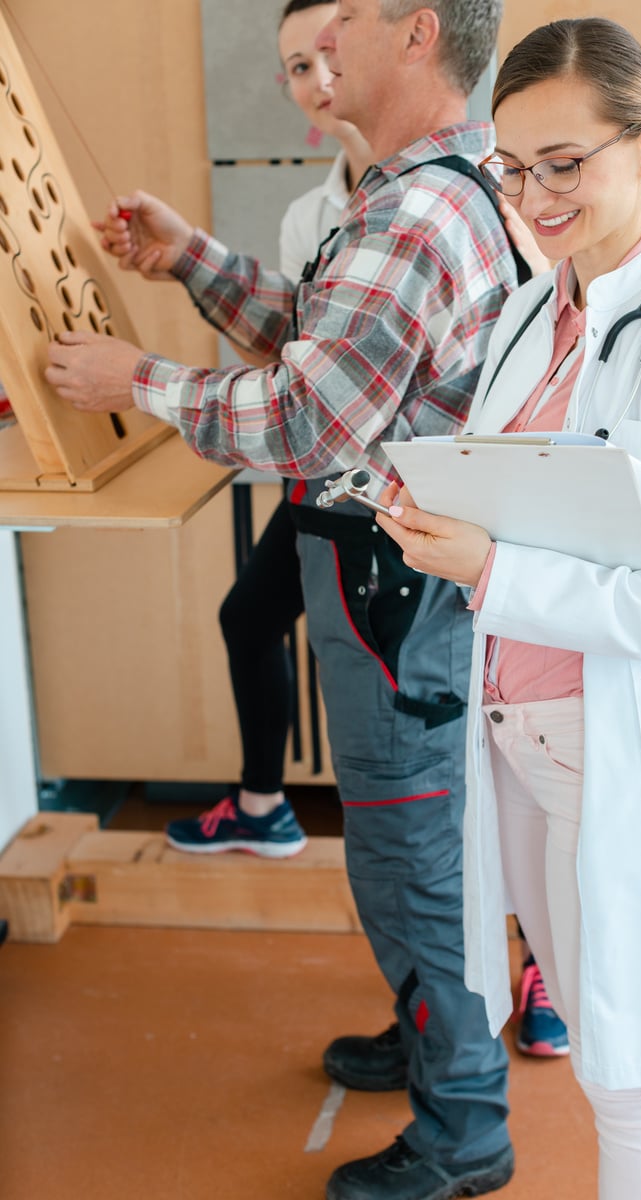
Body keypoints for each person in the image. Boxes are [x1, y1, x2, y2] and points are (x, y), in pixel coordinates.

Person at [45, 3, 530, 1197]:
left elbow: (307, 417)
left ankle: (463, 1128)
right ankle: (431, 1043)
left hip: (394, 593)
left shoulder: (417, 208)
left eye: (342, 23)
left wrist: (138, 381)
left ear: (418, 33)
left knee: (410, 858)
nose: (320, 59)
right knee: (402, 845)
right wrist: (195, 262)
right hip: (392, 582)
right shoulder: (426, 186)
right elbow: (327, 347)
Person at [375, 17, 641, 1200]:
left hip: (615, 756)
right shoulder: (529, 310)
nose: (535, 195)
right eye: (513, 166)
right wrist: (434, 492)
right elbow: (531, 489)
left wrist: (488, 571)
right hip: (516, 742)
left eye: (567, 163)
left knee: (625, 1071)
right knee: (588, 1031)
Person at [162, 0, 373, 860]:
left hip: (415, 504)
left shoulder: (456, 200)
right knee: (249, 617)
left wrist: (142, 382)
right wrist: (184, 255)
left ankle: (535, 959)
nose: (317, 80)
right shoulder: (307, 218)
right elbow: (298, 361)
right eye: (295, 67)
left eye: (329, 52)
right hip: (331, 481)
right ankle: (261, 804)